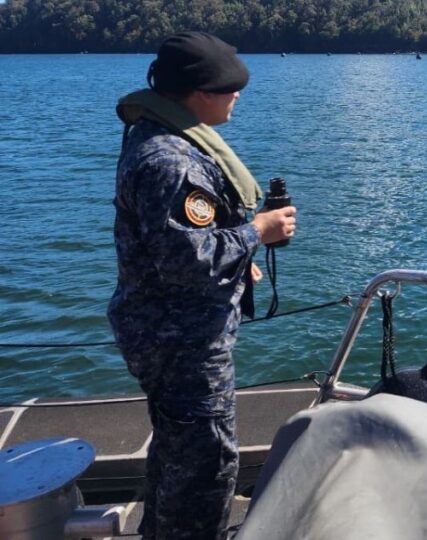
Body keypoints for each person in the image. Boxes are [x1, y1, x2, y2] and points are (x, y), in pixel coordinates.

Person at [107, 31, 296, 539]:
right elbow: (189, 261)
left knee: (175, 455)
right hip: (181, 343)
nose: (238, 96)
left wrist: (238, 259)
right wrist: (259, 232)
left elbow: (180, 245)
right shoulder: (172, 162)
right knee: (206, 468)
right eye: (228, 87)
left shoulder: (155, 137)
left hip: (162, 331)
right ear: (197, 93)